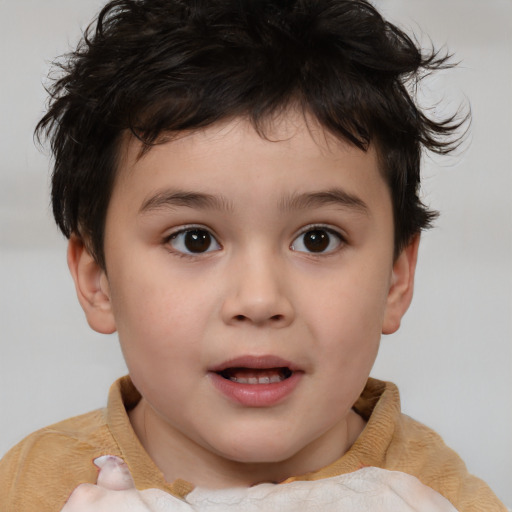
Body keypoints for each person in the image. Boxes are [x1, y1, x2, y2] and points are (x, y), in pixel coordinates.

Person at [0, 0, 506, 510]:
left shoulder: (443, 501)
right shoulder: (25, 487)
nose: (260, 299)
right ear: (97, 280)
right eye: (194, 239)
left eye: (317, 239)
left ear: (397, 278)